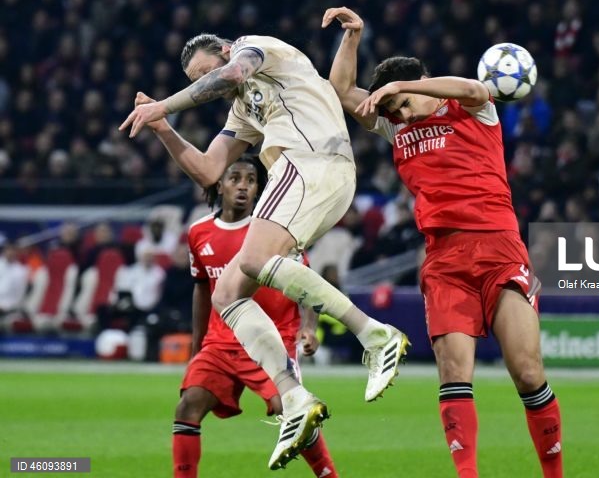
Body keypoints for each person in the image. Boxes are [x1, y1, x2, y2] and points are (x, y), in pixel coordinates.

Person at [119, 32, 408, 469]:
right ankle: (294, 397)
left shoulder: (258, 49)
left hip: (308, 161)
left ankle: (375, 334)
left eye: (206, 72)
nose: (209, 82)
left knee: (252, 260)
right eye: (199, 79)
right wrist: (164, 128)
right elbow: (210, 170)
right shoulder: (244, 107)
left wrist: (165, 103)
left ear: (223, 51)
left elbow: (233, 72)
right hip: (319, 178)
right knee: (227, 293)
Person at [322, 7, 563, 478]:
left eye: (404, 105)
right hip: (444, 259)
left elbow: (476, 86)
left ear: (423, 84)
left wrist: (403, 89)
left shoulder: (473, 109)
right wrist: (353, 37)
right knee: (454, 374)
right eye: (393, 111)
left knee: (529, 374)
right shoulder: (397, 124)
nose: (399, 116)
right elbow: (341, 92)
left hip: (499, 250)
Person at [174, 156, 336, 478]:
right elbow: (203, 290)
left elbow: (304, 281)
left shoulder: (274, 231)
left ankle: (329, 475)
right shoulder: (199, 233)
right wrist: (196, 348)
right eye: (235, 178)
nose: (243, 186)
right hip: (220, 343)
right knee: (188, 407)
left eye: (251, 179)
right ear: (219, 185)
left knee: (292, 412)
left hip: (270, 339)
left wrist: (308, 327)